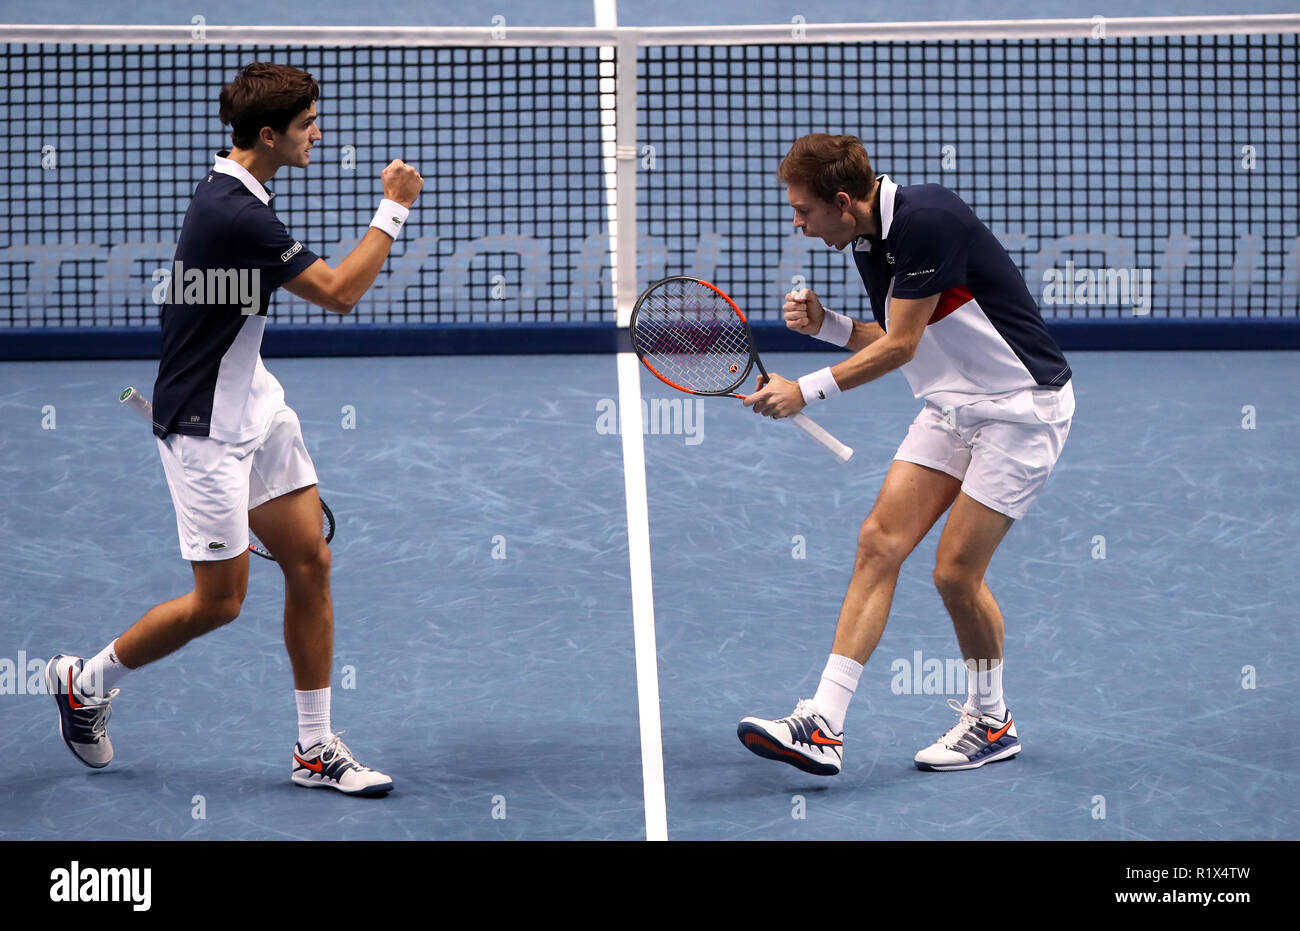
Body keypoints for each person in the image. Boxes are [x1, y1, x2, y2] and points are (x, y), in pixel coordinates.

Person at [46, 62, 423, 796]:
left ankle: (314, 748)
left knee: (310, 563)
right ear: (267, 134)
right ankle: (81, 684)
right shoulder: (238, 217)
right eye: (308, 124)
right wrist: (393, 209)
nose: (319, 134)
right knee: (219, 602)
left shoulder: (238, 195)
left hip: (255, 406)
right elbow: (342, 293)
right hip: (204, 429)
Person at [737, 133, 1074, 775]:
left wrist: (804, 391)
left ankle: (991, 720)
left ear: (842, 201)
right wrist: (828, 326)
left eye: (804, 211)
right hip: (952, 407)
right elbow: (901, 333)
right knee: (878, 543)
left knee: (954, 574)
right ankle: (823, 725)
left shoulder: (928, 221)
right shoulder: (867, 240)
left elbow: (901, 349)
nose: (798, 224)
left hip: (1021, 411)